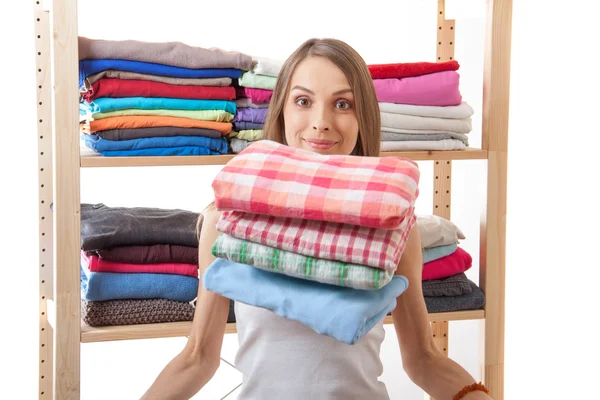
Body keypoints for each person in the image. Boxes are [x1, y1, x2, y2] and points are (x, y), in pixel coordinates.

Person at [141, 38, 492, 400]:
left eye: (342, 104)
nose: (321, 123)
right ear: (282, 111)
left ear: (362, 117)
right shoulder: (229, 220)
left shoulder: (391, 225)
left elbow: (423, 359)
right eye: (303, 101)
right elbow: (198, 358)